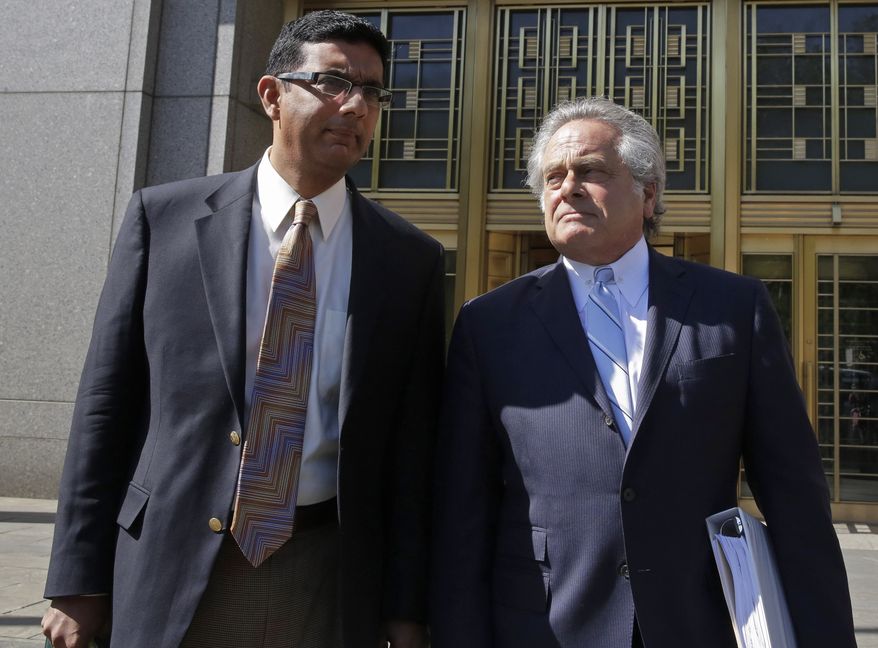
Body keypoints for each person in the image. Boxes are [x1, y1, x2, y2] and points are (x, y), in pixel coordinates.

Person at [42, 10, 443, 648]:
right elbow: (105, 406)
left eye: (371, 91)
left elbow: (413, 449)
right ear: (270, 95)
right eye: (333, 82)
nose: (356, 106)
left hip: (329, 571)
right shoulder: (164, 220)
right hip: (174, 556)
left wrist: (405, 608)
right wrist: (77, 578)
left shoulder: (409, 259)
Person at [430, 97, 855, 647]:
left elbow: (793, 492)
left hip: (694, 621)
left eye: (590, 171)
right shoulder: (488, 324)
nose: (567, 188)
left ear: (648, 192)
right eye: (553, 177)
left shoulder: (730, 308)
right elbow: (462, 510)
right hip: (542, 625)